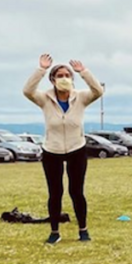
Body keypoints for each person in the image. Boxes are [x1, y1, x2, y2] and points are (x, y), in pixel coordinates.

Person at [23, 54, 104, 244]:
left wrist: (83, 72)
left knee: (77, 191)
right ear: (52, 80)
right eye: (59, 75)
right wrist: (41, 70)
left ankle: (83, 230)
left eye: (67, 75)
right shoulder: (44, 98)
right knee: (55, 192)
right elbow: (27, 90)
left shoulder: (81, 97)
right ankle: (54, 232)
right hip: (52, 150)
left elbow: (98, 91)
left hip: (77, 148)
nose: (64, 78)